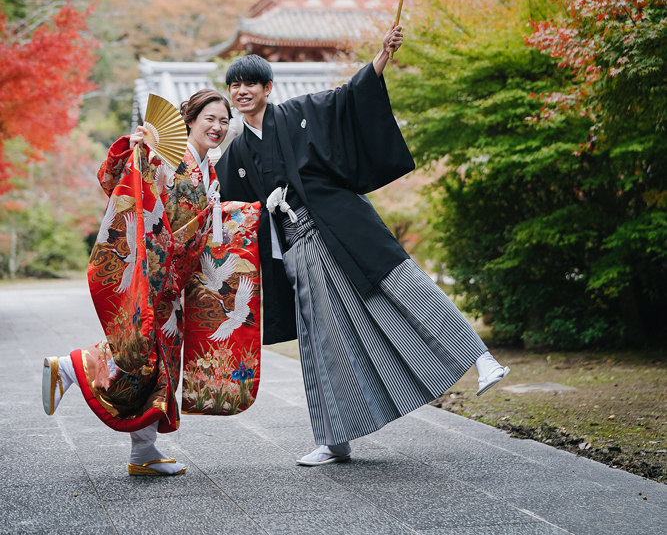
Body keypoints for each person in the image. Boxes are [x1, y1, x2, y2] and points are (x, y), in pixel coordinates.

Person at [216, 24, 509, 467]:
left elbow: (347, 99)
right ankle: (334, 438)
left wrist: (381, 58)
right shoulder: (236, 152)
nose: (240, 92)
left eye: (249, 84)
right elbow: (224, 206)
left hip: (342, 223)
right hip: (299, 250)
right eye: (233, 85)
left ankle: (483, 359)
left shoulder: (299, 111)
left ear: (267, 88)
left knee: (403, 285)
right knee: (321, 340)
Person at [42, 90, 261, 476]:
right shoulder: (166, 156)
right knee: (143, 354)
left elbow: (206, 222)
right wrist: (133, 149)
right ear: (188, 121)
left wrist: (251, 211)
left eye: (224, 121)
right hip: (157, 273)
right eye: (209, 118)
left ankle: (143, 451)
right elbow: (115, 181)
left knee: (159, 364)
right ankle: (75, 367)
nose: (218, 127)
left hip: (177, 280)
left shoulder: (206, 167)